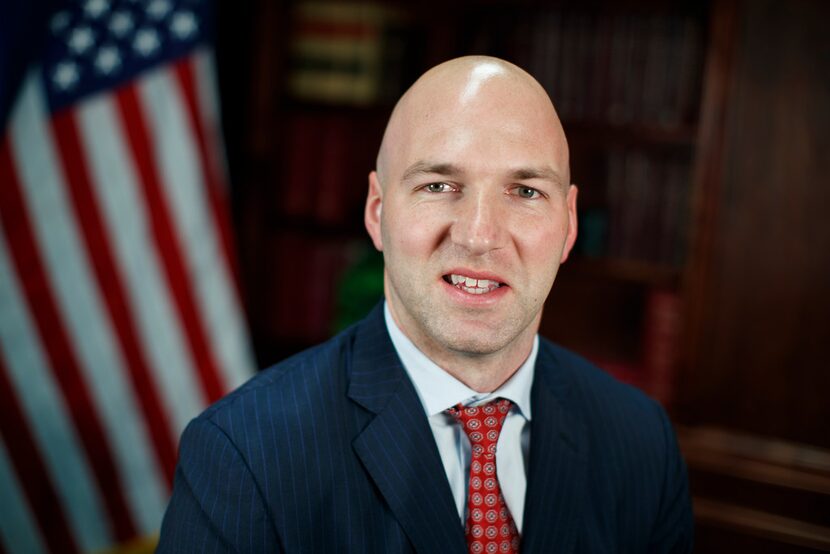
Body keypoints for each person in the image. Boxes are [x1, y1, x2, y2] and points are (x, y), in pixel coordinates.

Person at [157, 56, 693, 553]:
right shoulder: (244, 454)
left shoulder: (641, 442)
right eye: (439, 184)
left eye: (526, 191)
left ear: (570, 224)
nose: (480, 236)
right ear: (377, 211)